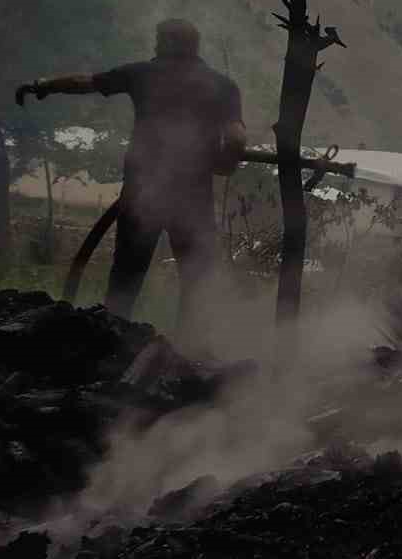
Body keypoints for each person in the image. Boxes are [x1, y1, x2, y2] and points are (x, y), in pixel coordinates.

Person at [15, 19, 245, 330]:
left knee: (126, 274)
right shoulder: (223, 85)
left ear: (165, 43)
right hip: (192, 199)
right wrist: (224, 165)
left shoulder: (142, 74)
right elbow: (236, 139)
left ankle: (112, 341)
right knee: (195, 277)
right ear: (195, 46)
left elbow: (85, 82)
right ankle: (191, 349)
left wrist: (45, 85)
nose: (154, 46)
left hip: (142, 194)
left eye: (158, 40)